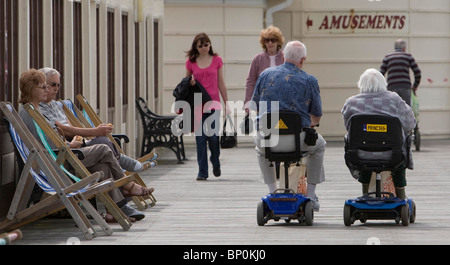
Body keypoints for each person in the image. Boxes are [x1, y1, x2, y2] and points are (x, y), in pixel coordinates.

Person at [18, 69, 153, 223]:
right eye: (43, 87)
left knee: (103, 167)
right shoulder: (29, 113)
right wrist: (70, 145)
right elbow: (47, 145)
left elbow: (51, 140)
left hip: (61, 156)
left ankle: (113, 210)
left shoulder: (34, 110)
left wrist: (70, 144)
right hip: (56, 163)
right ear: (31, 89)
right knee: (103, 148)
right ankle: (127, 185)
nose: (47, 90)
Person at [249, 41, 326, 211]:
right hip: (296, 141)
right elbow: (317, 114)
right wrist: (310, 124)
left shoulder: (264, 76)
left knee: (258, 147)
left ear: (283, 56)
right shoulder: (310, 80)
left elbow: (255, 106)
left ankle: (271, 192)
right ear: (303, 59)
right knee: (320, 146)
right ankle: (311, 195)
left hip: (269, 139)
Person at [38, 67, 144, 172]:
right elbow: (62, 129)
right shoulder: (40, 108)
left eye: (58, 85)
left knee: (104, 164)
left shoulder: (55, 105)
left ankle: (126, 184)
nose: (56, 88)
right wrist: (95, 131)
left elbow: (69, 126)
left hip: (75, 145)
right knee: (103, 146)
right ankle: (122, 165)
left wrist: (80, 137)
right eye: (52, 85)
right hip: (65, 153)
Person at [342, 68, 416, 199]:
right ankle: (400, 193)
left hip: (361, 154)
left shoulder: (351, 103)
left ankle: (365, 192)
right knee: (400, 147)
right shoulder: (395, 100)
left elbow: (349, 127)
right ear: (383, 83)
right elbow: (410, 123)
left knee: (363, 151)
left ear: (361, 84)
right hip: (392, 155)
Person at [185, 33, 229, 181]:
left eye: (206, 44)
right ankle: (202, 171)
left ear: (210, 45)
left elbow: (221, 83)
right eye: (200, 45)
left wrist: (227, 102)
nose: (204, 47)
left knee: (214, 137)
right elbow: (185, 83)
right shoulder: (191, 62)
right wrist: (189, 83)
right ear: (196, 47)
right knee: (201, 139)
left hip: (214, 103)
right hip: (198, 104)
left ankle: (215, 161)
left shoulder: (217, 60)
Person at [244, 26, 285, 112]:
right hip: (262, 102)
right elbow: (250, 81)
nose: (270, 43)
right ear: (264, 42)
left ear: (278, 41)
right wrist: (248, 102)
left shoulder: (285, 57)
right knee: (265, 124)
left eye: (273, 40)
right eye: (267, 40)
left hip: (282, 102)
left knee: (280, 125)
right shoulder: (257, 59)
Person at [380, 39, 421, 106]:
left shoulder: (388, 57)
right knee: (405, 111)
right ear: (404, 48)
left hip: (391, 88)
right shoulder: (408, 56)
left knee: (392, 111)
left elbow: (380, 74)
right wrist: (414, 87)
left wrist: (383, 88)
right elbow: (418, 73)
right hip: (405, 87)